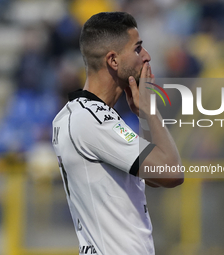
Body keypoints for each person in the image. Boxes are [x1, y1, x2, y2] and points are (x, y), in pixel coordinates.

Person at [52, 12, 183, 255]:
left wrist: (144, 116)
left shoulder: (81, 115)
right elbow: (171, 172)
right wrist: (150, 109)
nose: (147, 56)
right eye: (138, 48)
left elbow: (154, 177)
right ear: (113, 60)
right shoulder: (91, 121)